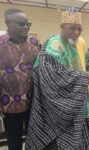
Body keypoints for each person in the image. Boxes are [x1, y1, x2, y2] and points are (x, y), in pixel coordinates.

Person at [25, 8, 89, 149]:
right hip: (60, 106)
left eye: (79, 29)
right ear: (61, 27)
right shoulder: (54, 44)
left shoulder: (80, 42)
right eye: (71, 28)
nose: (76, 33)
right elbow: (51, 75)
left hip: (82, 99)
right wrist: (86, 76)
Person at [0, 8, 38, 150]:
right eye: (21, 24)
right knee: (14, 143)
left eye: (28, 24)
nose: (26, 27)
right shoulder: (1, 44)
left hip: (33, 103)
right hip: (9, 105)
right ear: (7, 23)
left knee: (34, 140)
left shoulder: (34, 43)